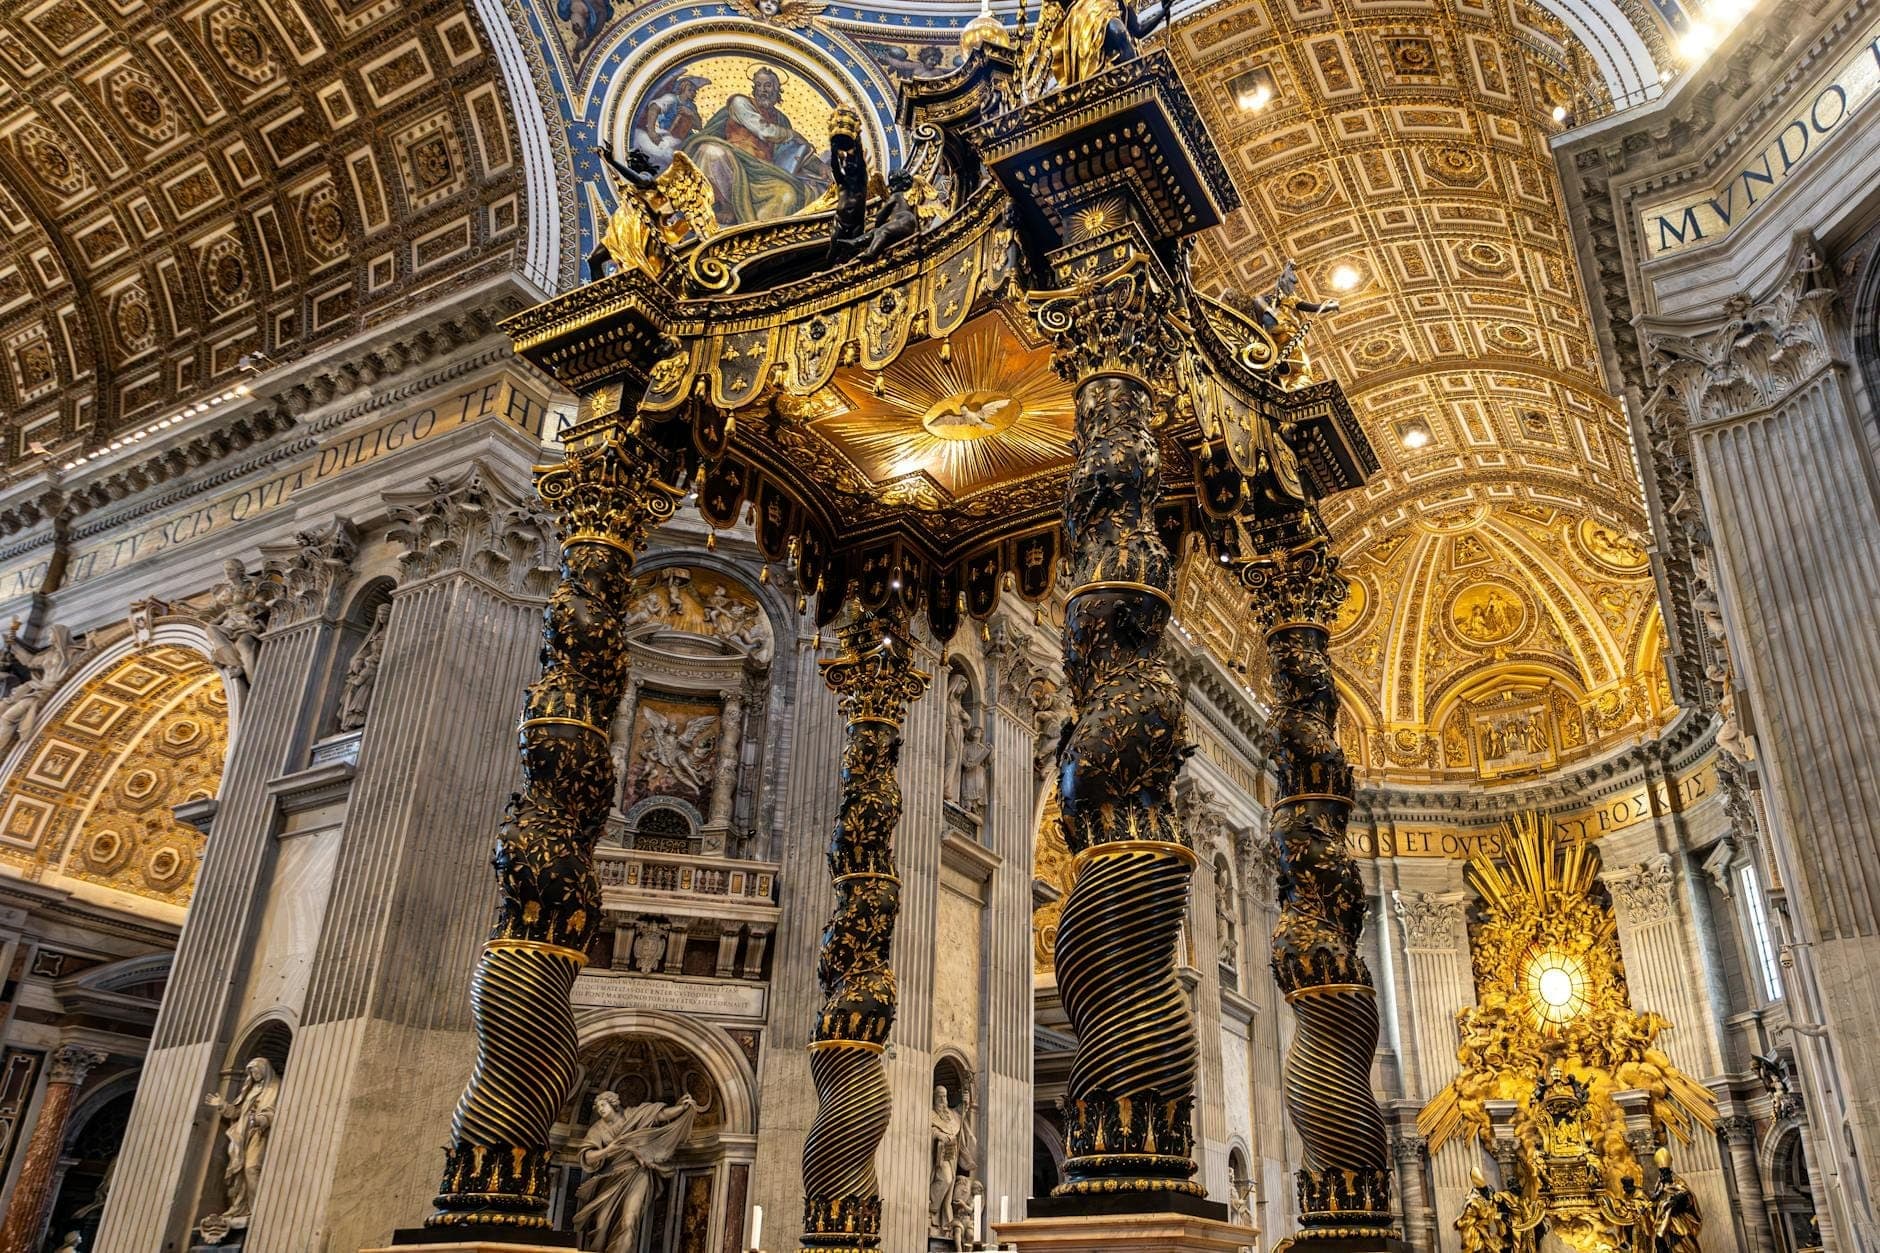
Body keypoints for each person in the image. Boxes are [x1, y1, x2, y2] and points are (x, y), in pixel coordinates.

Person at [684, 68, 831, 225]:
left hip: (761, 174)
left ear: (777, 90)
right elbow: (764, 131)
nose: (762, 90)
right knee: (710, 151)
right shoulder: (740, 103)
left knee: (788, 194)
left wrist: (820, 166)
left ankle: (758, 237)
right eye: (758, 85)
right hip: (734, 165)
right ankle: (724, 207)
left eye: (768, 86)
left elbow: (794, 151)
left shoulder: (781, 120)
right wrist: (793, 134)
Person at [574, 1091, 701, 1253]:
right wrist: (609, 1150)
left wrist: (680, 1108)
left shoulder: (633, 1115)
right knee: (601, 1226)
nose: (600, 1109)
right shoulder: (598, 1129)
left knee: (629, 1221)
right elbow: (587, 1156)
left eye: (603, 1105)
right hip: (610, 1178)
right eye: (598, 1107)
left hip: (638, 1174)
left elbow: (659, 1115)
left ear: (613, 1104)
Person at [202, 1058, 281, 1221]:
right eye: (251, 1072)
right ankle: (239, 1206)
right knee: (239, 1170)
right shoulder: (251, 1089)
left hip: (260, 1134)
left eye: (257, 1071)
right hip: (242, 1135)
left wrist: (260, 1120)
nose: (254, 1074)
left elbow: (273, 1112)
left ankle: (257, 1211)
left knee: (251, 1168)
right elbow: (236, 1112)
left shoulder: (274, 1087)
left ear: (265, 1070)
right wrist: (221, 1104)